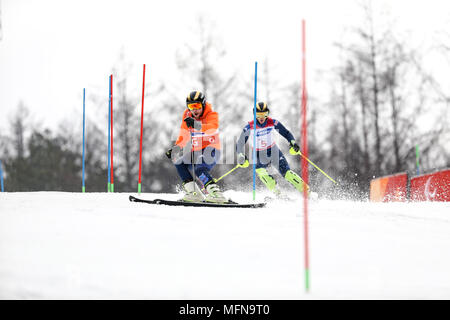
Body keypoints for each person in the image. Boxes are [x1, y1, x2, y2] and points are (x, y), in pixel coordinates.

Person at [235, 101, 310, 198]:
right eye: (258, 115)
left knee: (287, 173)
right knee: (261, 172)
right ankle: (278, 193)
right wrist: (241, 155)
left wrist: (293, 143)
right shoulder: (250, 126)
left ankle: (306, 192)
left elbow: (286, 133)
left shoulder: (272, 122)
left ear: (268, 113)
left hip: (273, 150)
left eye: (264, 114)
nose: (261, 118)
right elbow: (240, 143)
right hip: (258, 154)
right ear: (254, 114)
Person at [165, 91, 227, 203]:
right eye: (191, 106)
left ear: (203, 105)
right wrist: (176, 148)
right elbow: (184, 135)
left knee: (199, 168)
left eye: (197, 106)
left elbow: (212, 128)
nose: (195, 110)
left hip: (212, 150)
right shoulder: (187, 116)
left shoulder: (211, 115)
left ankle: (216, 194)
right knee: (180, 163)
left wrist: (196, 125)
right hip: (197, 151)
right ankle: (194, 194)